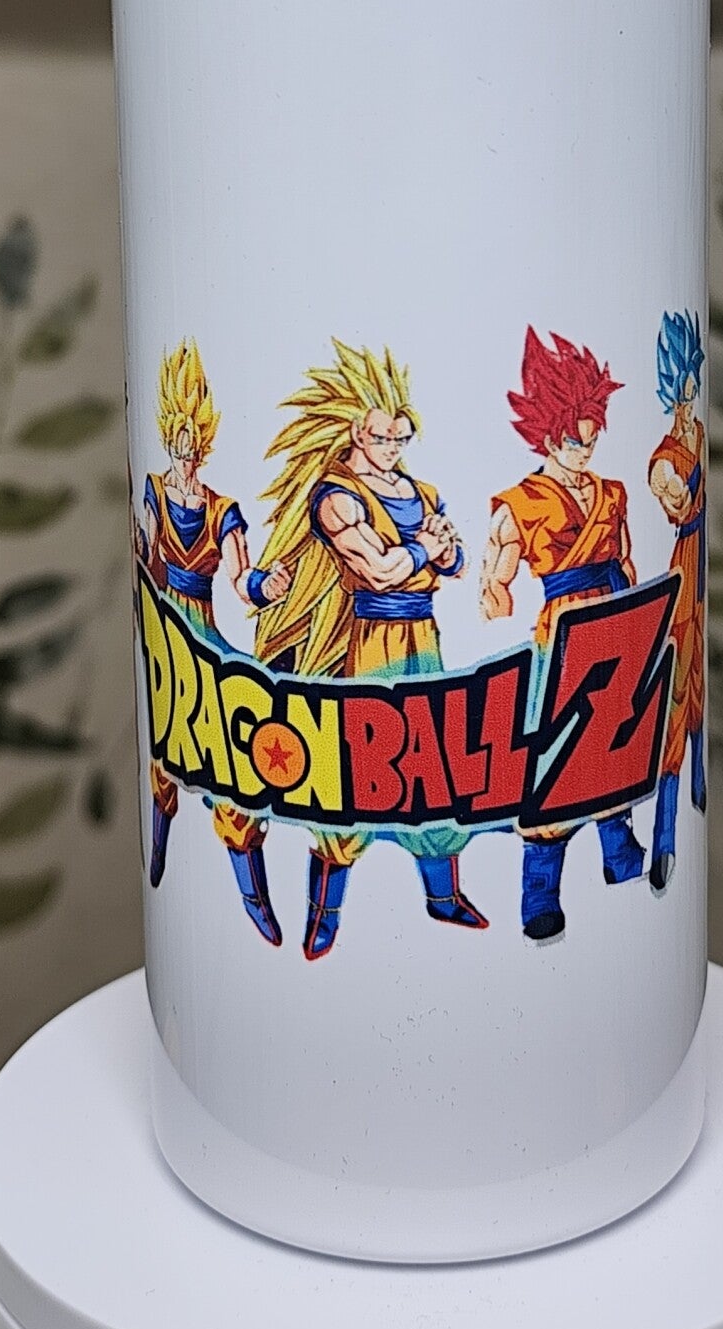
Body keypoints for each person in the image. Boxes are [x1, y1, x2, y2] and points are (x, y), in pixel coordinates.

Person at [251, 341, 488, 959]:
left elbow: (457, 561)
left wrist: (439, 553)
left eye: (402, 438)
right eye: (385, 437)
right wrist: (426, 551)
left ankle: (443, 897)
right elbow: (380, 572)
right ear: (358, 431)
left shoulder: (420, 488)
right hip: (370, 642)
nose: (394, 448)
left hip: (424, 640)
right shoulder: (336, 496)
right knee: (359, 777)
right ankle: (324, 916)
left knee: (435, 771)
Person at [479, 329, 647, 941]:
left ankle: (619, 850)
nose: (587, 447)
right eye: (577, 437)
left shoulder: (612, 493)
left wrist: (639, 620)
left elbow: (625, 561)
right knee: (555, 753)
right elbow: (496, 572)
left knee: (618, 735)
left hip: (615, 621)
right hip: (564, 632)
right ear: (550, 436)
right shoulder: (521, 503)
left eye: (594, 435)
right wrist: (492, 600)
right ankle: (540, 892)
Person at [138, 339, 287, 943]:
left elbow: (241, 578)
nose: (184, 448)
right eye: (176, 435)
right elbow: (146, 554)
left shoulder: (223, 509)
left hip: (203, 637)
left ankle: (254, 897)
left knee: (235, 766)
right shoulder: (153, 490)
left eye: (192, 437)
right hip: (165, 634)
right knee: (163, 763)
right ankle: (159, 849)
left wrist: (268, 586)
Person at [645, 311, 707, 890]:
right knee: (675, 699)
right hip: (686, 571)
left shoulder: (698, 435)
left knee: (701, 691)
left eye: (694, 375)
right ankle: (663, 837)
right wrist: (675, 490)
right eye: (685, 377)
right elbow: (674, 502)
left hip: (702, 567)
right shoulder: (666, 457)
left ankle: (699, 787)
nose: (691, 386)